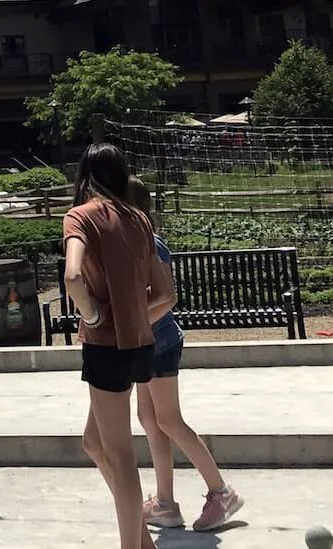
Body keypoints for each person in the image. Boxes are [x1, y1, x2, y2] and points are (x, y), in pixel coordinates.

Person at [63, 143, 173, 549]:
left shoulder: (79, 217)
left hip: (105, 349)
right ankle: (143, 541)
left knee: (120, 455)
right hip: (140, 345)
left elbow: (73, 277)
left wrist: (93, 317)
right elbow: (165, 295)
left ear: (85, 175)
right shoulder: (139, 219)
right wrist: (131, 314)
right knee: (94, 443)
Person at [122, 177, 243, 532]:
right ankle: (165, 503)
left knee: (169, 420)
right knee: (150, 419)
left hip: (159, 342)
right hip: (144, 343)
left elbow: (165, 296)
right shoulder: (133, 243)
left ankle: (221, 492)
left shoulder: (151, 243)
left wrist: (130, 320)